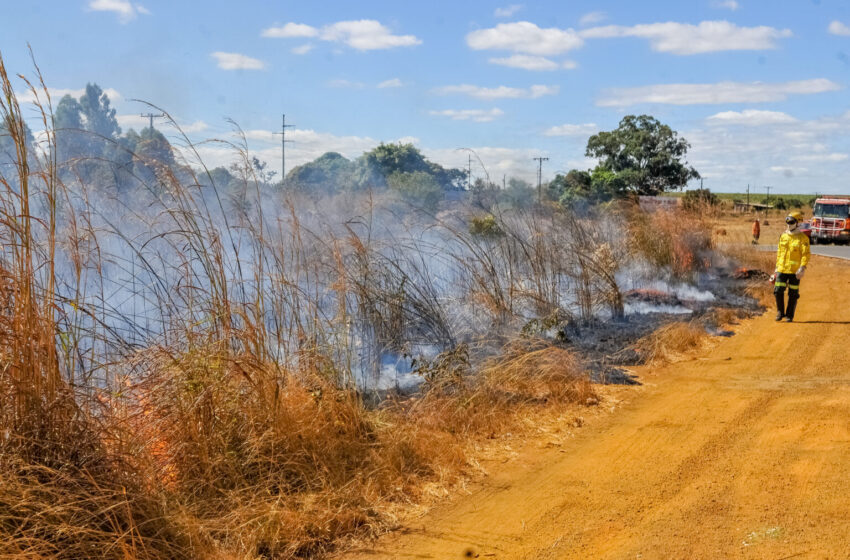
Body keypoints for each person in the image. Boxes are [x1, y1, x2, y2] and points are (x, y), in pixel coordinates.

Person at [770, 211, 810, 322]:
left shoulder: (803, 238)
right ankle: (780, 312)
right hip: (782, 269)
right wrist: (776, 268)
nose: (789, 224)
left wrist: (802, 267)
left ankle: (789, 315)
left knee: (793, 294)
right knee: (778, 290)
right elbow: (779, 253)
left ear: (798, 223)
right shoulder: (783, 236)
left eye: (791, 222)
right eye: (787, 221)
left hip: (795, 271)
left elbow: (805, 254)